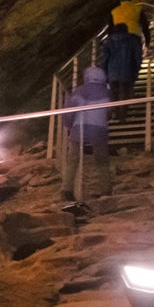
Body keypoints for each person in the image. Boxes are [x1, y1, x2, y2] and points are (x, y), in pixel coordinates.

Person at [60, 65, 112, 208]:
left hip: (79, 127)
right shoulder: (107, 92)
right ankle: (105, 190)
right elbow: (109, 111)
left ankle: (66, 190)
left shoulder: (79, 90)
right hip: (99, 128)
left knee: (73, 160)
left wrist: (69, 125)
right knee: (102, 162)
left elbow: (69, 111)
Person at [98, 22, 144, 102]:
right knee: (125, 96)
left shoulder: (109, 42)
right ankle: (122, 113)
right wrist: (136, 70)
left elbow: (104, 59)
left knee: (113, 96)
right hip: (127, 72)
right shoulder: (132, 41)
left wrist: (105, 72)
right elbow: (137, 57)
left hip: (112, 73)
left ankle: (115, 112)